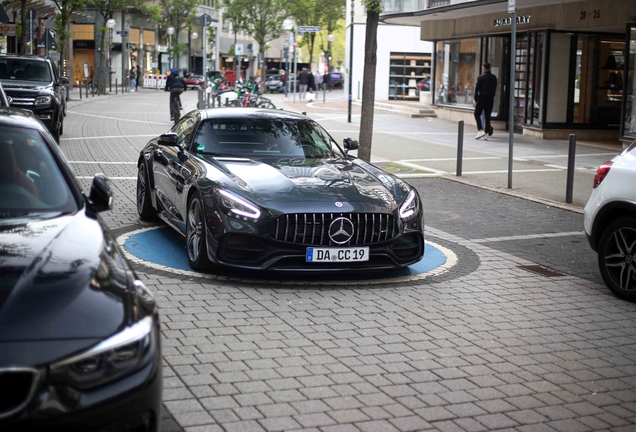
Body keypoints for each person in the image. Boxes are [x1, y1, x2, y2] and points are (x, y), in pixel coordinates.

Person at [473, 62, 497, 140]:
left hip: (482, 98)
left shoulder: (480, 78)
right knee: (487, 116)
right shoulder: (494, 78)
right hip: (490, 99)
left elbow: (477, 89)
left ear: (484, 68)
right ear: (489, 68)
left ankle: (480, 130)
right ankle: (486, 134)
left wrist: (475, 99)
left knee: (477, 113)